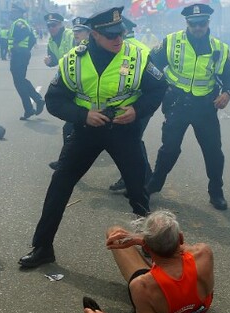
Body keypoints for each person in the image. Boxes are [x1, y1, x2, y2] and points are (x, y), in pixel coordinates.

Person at [18, 7, 168, 268]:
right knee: (59, 186)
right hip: (86, 132)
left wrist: (138, 110)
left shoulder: (137, 55)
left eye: (120, 33)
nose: (118, 39)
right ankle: (42, 247)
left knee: (138, 193)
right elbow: (54, 100)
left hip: (124, 132)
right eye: (111, 35)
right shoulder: (73, 60)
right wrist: (82, 115)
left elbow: (159, 87)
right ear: (94, 35)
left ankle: (152, 249)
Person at [146, 4, 230, 210]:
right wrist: (161, 85)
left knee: (213, 151)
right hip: (177, 103)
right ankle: (154, 184)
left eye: (202, 23)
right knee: (169, 149)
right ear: (186, 23)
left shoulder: (220, 48)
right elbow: (151, 62)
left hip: (205, 106)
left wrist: (227, 93)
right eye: (193, 24)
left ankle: (216, 191)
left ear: (208, 23)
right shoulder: (172, 42)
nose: (198, 27)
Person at [84, 210, 214, 313]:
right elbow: (181, 247)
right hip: (200, 309)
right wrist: (144, 240)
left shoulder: (142, 286)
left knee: (113, 231)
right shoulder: (204, 252)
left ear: (145, 247)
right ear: (180, 237)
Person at [108, 16, 153, 192]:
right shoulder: (142, 47)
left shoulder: (128, 50)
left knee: (130, 143)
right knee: (132, 141)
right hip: (140, 105)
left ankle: (138, 181)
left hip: (134, 105)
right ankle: (142, 177)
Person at [47, 16, 88, 171]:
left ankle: (141, 177)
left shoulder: (90, 49)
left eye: (81, 31)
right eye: (75, 30)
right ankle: (66, 163)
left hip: (97, 101)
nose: (76, 33)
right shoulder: (74, 48)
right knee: (70, 130)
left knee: (121, 143)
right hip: (80, 97)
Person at [7, 4, 44, 121]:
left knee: (19, 81)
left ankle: (34, 103)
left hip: (19, 55)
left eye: (13, 12)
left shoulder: (19, 22)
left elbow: (26, 32)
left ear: (18, 13)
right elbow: (32, 38)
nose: (10, 14)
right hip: (21, 54)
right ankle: (32, 105)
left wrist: (18, 46)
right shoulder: (21, 22)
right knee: (20, 81)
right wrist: (26, 49)